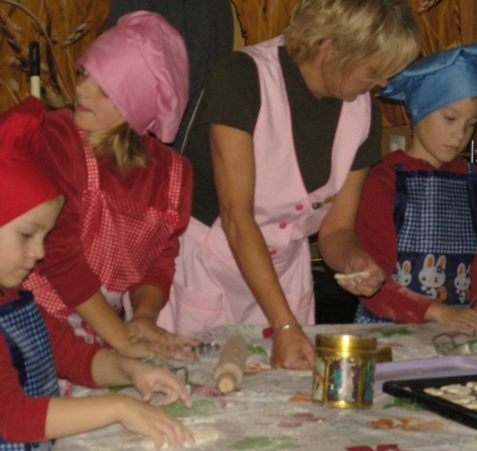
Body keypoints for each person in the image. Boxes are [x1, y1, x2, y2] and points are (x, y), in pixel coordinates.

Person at [0, 98, 193, 451]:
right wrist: (121, 407)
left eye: (43, 236)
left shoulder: (10, 298)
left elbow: (75, 357)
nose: (40, 252)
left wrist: (132, 371)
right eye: (26, 235)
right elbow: (10, 416)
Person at [156, 0, 421, 369]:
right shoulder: (243, 78)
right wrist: (283, 324)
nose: (382, 84)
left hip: (285, 279)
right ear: (330, 50)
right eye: (374, 71)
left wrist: (353, 259)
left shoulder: (364, 110)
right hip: (206, 269)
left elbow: (337, 230)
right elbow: (237, 218)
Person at [22, 11, 198, 360]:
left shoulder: (175, 175)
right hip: (31, 329)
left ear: (137, 104)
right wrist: (121, 340)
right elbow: (59, 255)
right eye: (84, 73)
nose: (81, 88)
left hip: (99, 334)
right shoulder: (57, 139)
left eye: (104, 88)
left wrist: (143, 318)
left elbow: (158, 262)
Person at [355, 41, 477, 330]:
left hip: (458, 326)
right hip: (390, 327)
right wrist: (437, 312)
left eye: (471, 124)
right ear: (418, 111)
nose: (460, 134)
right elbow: (372, 279)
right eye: (450, 118)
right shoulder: (384, 181)